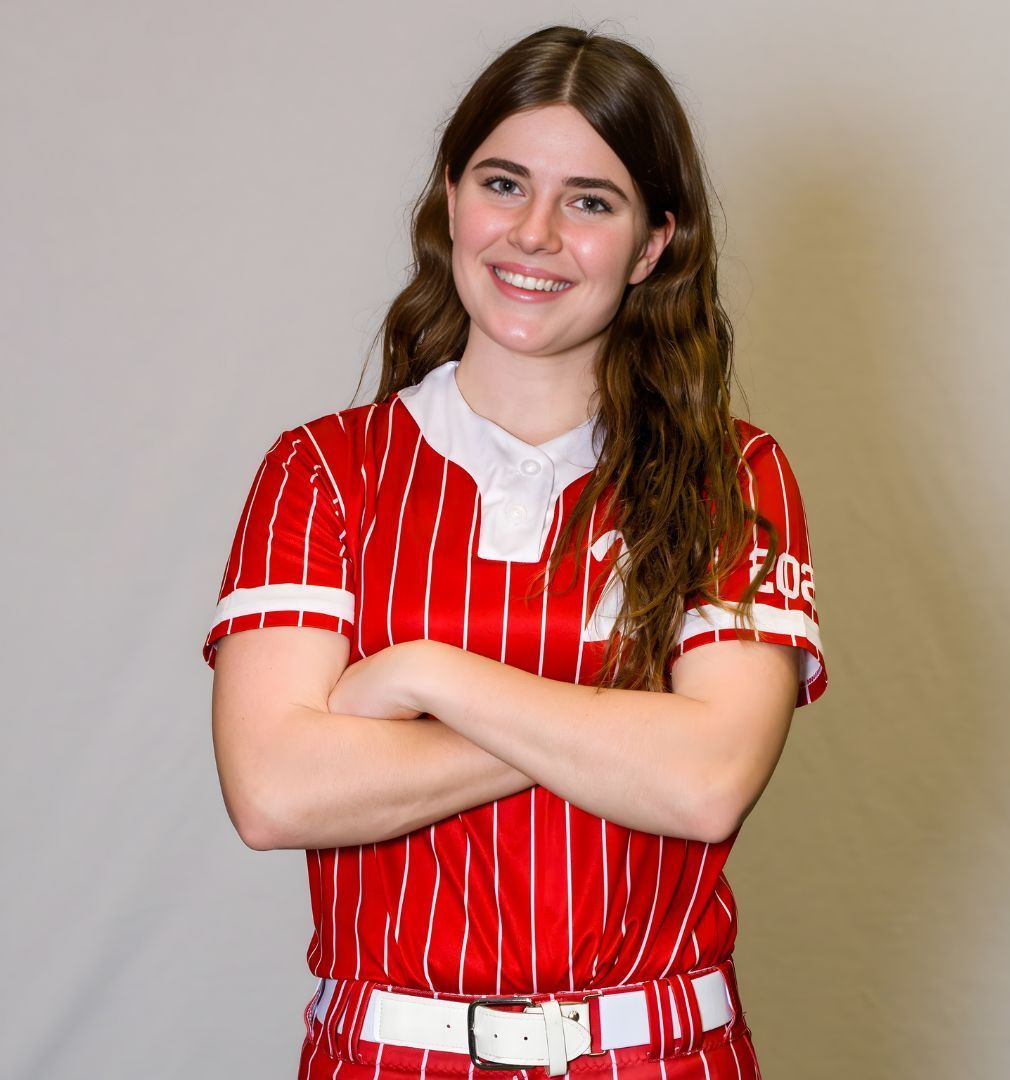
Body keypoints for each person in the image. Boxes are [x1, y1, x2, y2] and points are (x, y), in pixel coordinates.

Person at [202, 23, 827, 1080]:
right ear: (451, 202)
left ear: (653, 243)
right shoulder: (323, 472)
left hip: (662, 1056)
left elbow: (710, 782)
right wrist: (624, 737)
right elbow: (274, 791)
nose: (534, 233)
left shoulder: (737, 473)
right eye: (504, 183)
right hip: (387, 1058)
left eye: (591, 201)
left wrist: (420, 675)